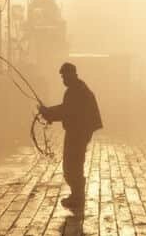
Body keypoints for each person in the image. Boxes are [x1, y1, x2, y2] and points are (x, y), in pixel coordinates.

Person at [39, 62, 103, 209]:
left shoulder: (76, 91)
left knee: (71, 166)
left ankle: (77, 198)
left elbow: (66, 111)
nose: (63, 80)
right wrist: (48, 112)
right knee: (74, 165)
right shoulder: (78, 88)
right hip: (79, 132)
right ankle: (77, 196)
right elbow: (66, 110)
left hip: (78, 133)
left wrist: (48, 112)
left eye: (64, 76)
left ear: (71, 74)